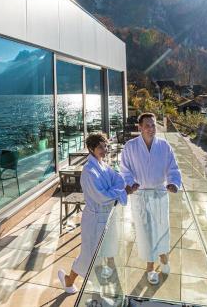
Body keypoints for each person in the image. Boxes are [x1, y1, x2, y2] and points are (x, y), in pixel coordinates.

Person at [58, 132, 131, 294]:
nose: (105, 150)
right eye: (100, 147)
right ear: (91, 149)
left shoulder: (103, 165)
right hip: (94, 219)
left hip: (106, 216)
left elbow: (118, 179)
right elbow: (101, 196)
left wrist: (118, 189)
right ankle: (70, 281)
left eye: (105, 146)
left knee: (109, 249)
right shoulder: (89, 171)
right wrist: (121, 191)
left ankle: (109, 286)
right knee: (89, 256)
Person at [120, 112, 182, 285]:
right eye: (147, 125)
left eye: (153, 125)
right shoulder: (130, 146)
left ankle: (164, 259)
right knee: (146, 233)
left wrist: (173, 183)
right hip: (140, 195)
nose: (151, 128)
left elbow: (173, 168)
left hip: (159, 194)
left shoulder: (164, 145)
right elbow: (124, 169)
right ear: (139, 127)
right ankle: (150, 268)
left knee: (162, 229)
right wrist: (131, 183)